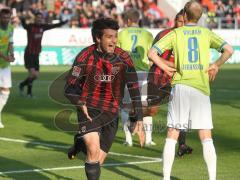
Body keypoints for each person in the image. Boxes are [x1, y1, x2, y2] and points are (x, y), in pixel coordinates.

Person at [148, 1, 233, 180]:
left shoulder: (176, 33)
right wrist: (215, 65)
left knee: (172, 133)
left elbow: (151, 53)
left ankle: (165, 178)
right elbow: (228, 50)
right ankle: (212, 178)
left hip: (180, 87)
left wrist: (164, 66)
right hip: (201, 89)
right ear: (200, 16)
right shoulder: (206, 33)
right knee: (205, 135)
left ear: (184, 16)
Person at [65, 18, 145, 180]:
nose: (113, 41)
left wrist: (139, 117)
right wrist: (79, 101)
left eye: (115, 36)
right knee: (93, 151)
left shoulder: (124, 58)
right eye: (109, 37)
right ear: (98, 38)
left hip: (112, 112)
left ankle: (80, 141)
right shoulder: (84, 57)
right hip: (89, 109)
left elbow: (134, 87)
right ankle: (84, 140)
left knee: (98, 161)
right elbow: (69, 87)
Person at [147, 9, 193, 157]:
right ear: (175, 21)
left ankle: (182, 144)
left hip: (178, 80)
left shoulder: (189, 38)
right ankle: (133, 115)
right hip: (158, 78)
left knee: (182, 112)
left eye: (185, 21)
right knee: (151, 110)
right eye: (180, 21)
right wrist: (172, 65)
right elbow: (152, 57)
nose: (183, 24)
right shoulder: (164, 35)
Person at [118, 8, 155, 146]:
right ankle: (149, 139)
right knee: (144, 107)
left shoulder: (121, 34)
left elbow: (116, 55)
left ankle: (128, 139)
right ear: (138, 19)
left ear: (127, 20)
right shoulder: (148, 34)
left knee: (126, 106)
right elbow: (152, 56)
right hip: (143, 73)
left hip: (127, 73)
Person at [19, 12, 67, 97]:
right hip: (29, 54)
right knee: (32, 74)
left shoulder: (43, 27)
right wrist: (22, 18)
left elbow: (53, 26)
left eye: (40, 18)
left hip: (36, 54)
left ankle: (22, 84)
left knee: (36, 76)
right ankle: (29, 93)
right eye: (38, 17)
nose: (39, 19)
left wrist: (63, 22)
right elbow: (24, 25)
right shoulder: (30, 26)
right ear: (35, 18)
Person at [0, 8, 15, 128]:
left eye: (7, 17)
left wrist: (12, 54)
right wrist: (5, 57)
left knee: (5, 91)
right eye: (4, 17)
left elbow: (10, 43)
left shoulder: (10, 28)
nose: (6, 19)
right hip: (3, 61)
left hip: (4, 65)